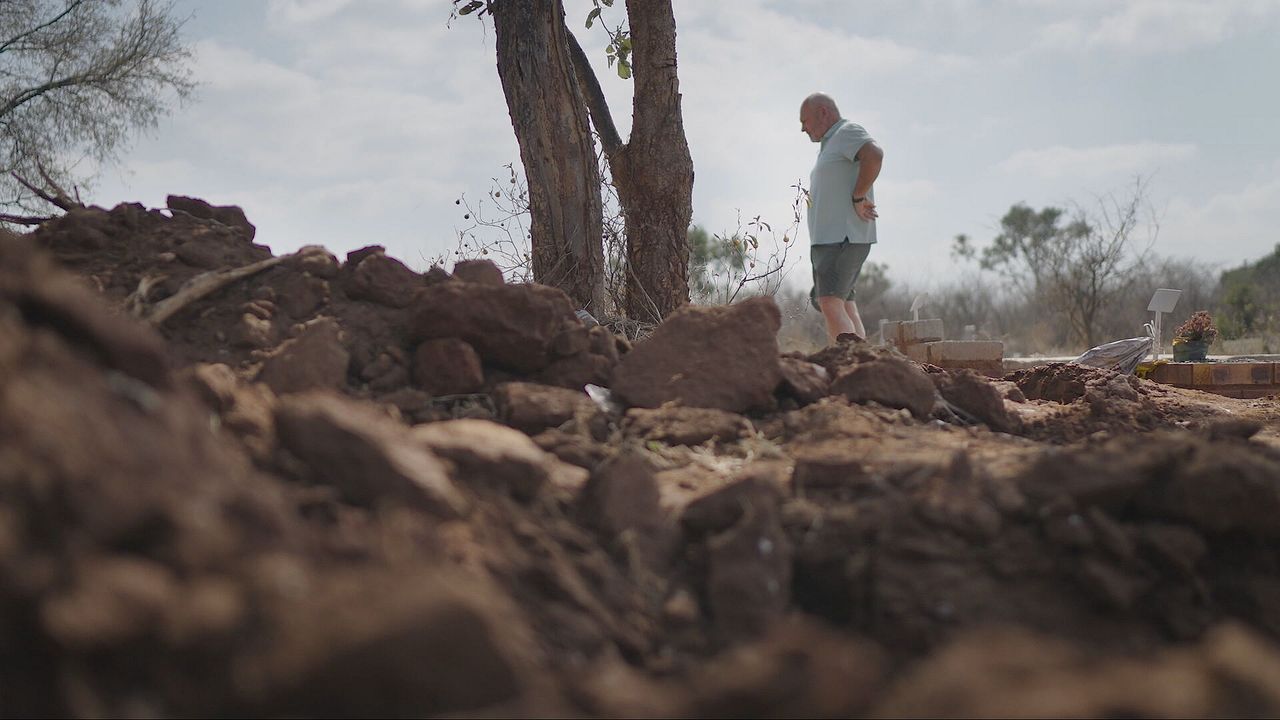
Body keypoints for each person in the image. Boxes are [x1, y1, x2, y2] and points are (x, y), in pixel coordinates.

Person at [799, 92, 883, 345]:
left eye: (805, 121)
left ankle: (849, 363)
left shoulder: (846, 131)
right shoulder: (832, 142)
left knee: (830, 302)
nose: (803, 129)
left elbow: (874, 154)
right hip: (834, 238)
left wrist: (859, 196)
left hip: (842, 238)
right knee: (844, 304)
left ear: (823, 113)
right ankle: (864, 363)